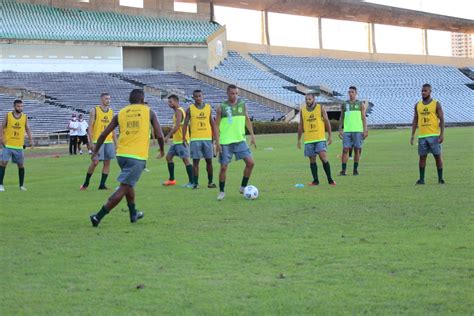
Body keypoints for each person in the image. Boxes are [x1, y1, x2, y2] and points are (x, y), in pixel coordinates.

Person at [89, 89, 165, 227]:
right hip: (137, 156)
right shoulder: (149, 111)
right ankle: (98, 216)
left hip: (121, 155)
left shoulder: (121, 113)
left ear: (129, 100)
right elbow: (159, 135)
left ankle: (133, 214)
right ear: (142, 100)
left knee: (129, 185)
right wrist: (162, 149)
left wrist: (95, 151)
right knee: (124, 187)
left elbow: (103, 134)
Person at [215, 84, 256, 201]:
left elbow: (247, 119)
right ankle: (222, 191)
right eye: (232, 93)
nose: (234, 96)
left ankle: (243, 187)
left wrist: (252, 135)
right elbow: (216, 125)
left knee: (250, 163)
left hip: (240, 140)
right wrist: (217, 142)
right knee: (223, 167)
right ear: (227, 93)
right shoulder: (221, 107)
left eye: (236, 93)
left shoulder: (242, 105)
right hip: (225, 142)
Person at [297, 93, 336, 186]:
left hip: (320, 138)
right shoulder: (302, 110)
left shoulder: (320, 108)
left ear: (314, 99)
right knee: (312, 160)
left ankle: (330, 180)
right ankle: (315, 181)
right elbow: (300, 125)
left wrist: (330, 135)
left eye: (309, 99)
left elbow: (326, 121)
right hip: (309, 139)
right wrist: (298, 139)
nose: (308, 101)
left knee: (323, 157)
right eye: (306, 99)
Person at [80, 93, 117, 190]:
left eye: (109, 99)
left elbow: (112, 128)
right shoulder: (94, 110)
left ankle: (102, 185)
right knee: (95, 162)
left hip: (108, 141)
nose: (108, 100)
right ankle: (86, 183)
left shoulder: (111, 112)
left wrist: (116, 142)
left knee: (107, 162)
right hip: (98, 140)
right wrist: (91, 142)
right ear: (101, 100)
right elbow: (90, 128)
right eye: (106, 99)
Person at [410, 83, 445, 185]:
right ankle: (421, 179)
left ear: (430, 91)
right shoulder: (418, 105)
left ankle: (440, 178)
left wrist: (442, 134)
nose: (423, 92)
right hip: (422, 136)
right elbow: (415, 119)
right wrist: (412, 134)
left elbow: (442, 118)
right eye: (422, 91)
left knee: (437, 156)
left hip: (434, 135)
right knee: (422, 157)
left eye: (425, 91)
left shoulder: (436, 104)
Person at [182, 90, 217, 189]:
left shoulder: (208, 108)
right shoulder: (190, 109)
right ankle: (196, 183)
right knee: (196, 162)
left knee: (209, 161)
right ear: (193, 98)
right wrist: (184, 137)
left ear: (203, 96)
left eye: (199, 96)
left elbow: (212, 123)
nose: (198, 98)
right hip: (195, 139)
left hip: (207, 139)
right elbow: (185, 124)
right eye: (196, 96)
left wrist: (214, 136)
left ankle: (210, 182)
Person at [0, 99, 34, 192]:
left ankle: (21, 185)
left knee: (21, 165)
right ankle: (1, 184)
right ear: (14, 107)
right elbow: (2, 126)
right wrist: (1, 138)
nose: (20, 108)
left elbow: (27, 128)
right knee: (3, 163)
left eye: (22, 106)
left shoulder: (24, 117)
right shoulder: (8, 115)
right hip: (8, 145)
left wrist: (31, 140)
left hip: (19, 146)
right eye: (19, 106)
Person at [162, 94, 193, 188]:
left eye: (170, 102)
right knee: (168, 157)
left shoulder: (179, 111)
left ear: (176, 101)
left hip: (181, 140)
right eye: (168, 102)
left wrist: (167, 136)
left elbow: (177, 126)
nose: (169, 104)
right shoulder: (177, 112)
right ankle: (171, 180)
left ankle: (192, 182)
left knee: (186, 160)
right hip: (176, 141)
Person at [338, 86, 368, 176]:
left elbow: (363, 118)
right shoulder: (344, 104)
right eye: (349, 92)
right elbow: (342, 117)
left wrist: (365, 130)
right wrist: (340, 129)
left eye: (352, 92)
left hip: (358, 130)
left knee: (357, 150)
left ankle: (355, 170)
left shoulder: (360, 104)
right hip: (347, 130)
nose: (350, 93)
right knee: (345, 149)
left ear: (356, 93)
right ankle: (343, 170)